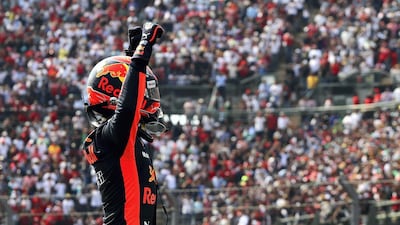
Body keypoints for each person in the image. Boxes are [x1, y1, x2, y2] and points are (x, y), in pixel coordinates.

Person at [81, 22, 166, 225]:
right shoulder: (113, 137)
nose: (149, 98)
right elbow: (127, 108)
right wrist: (141, 52)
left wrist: (131, 55)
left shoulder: (117, 138)